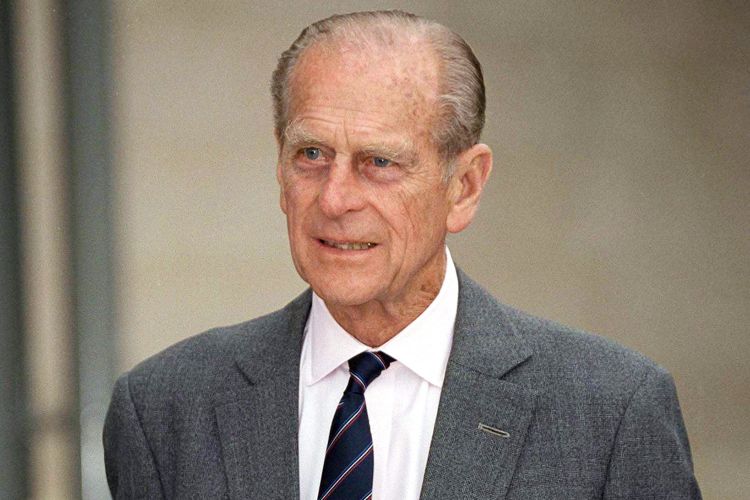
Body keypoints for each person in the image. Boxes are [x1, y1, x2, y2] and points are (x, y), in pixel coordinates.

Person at [103, 10, 701, 499]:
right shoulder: (166, 409)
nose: (335, 199)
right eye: (311, 155)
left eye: (379, 162)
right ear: (280, 170)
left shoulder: (610, 413)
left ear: (463, 187)